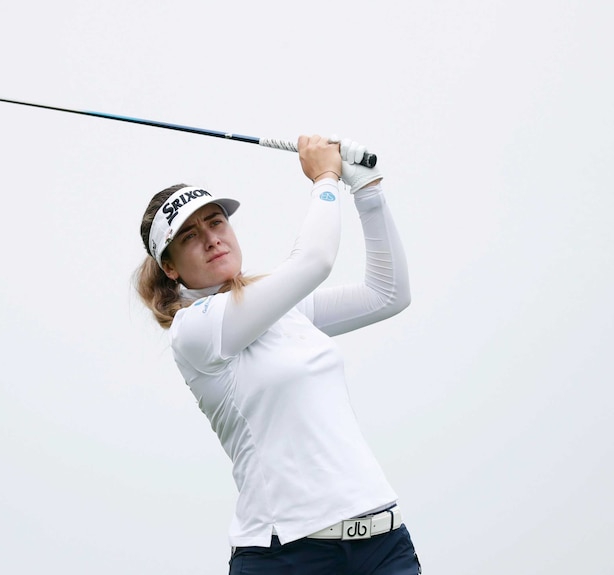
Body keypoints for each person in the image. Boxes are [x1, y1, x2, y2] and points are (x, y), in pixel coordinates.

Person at [134, 135, 420, 575]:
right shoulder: (196, 330)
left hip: (383, 546)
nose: (212, 239)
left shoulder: (286, 311)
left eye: (216, 223)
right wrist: (325, 176)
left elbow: (388, 294)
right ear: (170, 268)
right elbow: (314, 260)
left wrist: (367, 190)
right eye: (190, 236)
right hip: (285, 556)